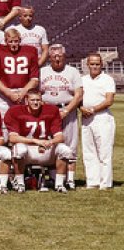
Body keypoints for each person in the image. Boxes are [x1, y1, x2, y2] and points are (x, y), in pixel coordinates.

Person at [5, 91, 74, 193]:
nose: (36, 103)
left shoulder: (51, 110)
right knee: (19, 149)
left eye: (38, 100)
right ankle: (20, 183)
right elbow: (12, 138)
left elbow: (60, 137)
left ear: (42, 101)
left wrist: (50, 142)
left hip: (45, 147)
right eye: (32, 100)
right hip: (27, 149)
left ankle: (59, 184)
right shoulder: (15, 111)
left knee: (64, 150)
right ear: (26, 101)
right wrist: (35, 141)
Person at [39, 44, 82, 189]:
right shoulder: (42, 71)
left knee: (70, 145)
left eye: (60, 56)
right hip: (47, 112)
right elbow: (35, 93)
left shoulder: (73, 72)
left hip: (67, 110)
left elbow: (78, 94)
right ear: (49, 57)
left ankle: (70, 179)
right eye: (54, 56)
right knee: (49, 144)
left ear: (65, 56)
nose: (57, 58)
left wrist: (67, 110)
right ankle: (51, 178)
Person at [79, 53, 116, 189]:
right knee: (89, 151)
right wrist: (81, 108)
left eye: (97, 64)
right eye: (92, 64)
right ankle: (92, 181)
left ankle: (105, 183)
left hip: (102, 118)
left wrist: (93, 109)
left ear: (101, 65)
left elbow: (109, 100)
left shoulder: (107, 79)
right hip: (86, 118)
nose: (94, 66)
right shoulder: (82, 80)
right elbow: (78, 98)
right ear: (87, 65)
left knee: (104, 151)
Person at [0, 28, 39, 117]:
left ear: (20, 40)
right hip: (4, 94)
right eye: (10, 41)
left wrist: (22, 93)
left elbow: (34, 79)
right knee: (3, 124)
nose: (14, 44)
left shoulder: (30, 51)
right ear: (5, 41)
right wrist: (9, 94)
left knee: (24, 124)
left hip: (24, 93)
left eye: (16, 41)